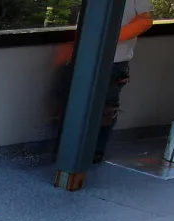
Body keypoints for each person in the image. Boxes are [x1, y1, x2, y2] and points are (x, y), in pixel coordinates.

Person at [55, 0, 154, 163]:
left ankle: (93, 153)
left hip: (114, 59)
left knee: (105, 108)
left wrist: (108, 39)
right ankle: (66, 151)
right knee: (70, 102)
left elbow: (145, 20)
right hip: (81, 55)